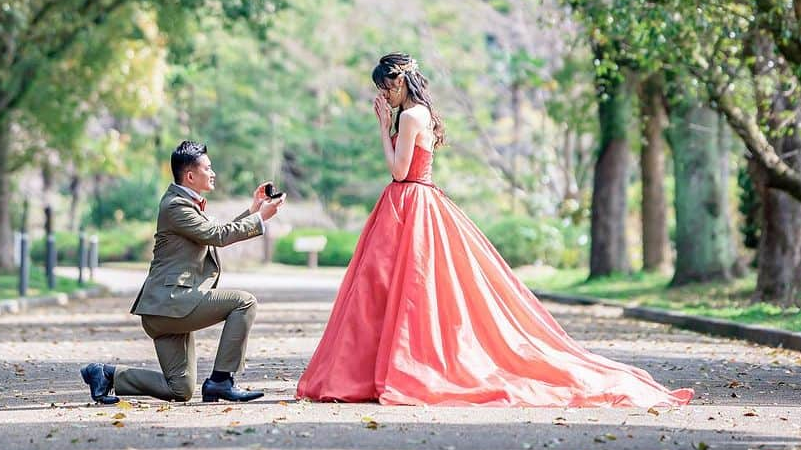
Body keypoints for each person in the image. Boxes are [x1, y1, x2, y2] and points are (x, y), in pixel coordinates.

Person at [297, 53, 693, 408]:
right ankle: (382, 368)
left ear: (399, 82)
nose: (384, 96)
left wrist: (384, 127)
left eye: (385, 88)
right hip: (411, 206)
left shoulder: (411, 116)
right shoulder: (421, 115)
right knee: (395, 293)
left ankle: (399, 368)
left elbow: (399, 172)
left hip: (411, 203)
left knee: (405, 293)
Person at [81, 140, 285, 405]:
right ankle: (221, 380)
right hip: (172, 303)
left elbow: (213, 235)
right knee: (244, 303)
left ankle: (106, 375)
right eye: (208, 168)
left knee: (180, 389)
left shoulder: (184, 203)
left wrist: (253, 210)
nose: (213, 173)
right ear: (190, 175)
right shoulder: (175, 206)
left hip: (167, 310)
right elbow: (217, 235)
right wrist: (259, 219)